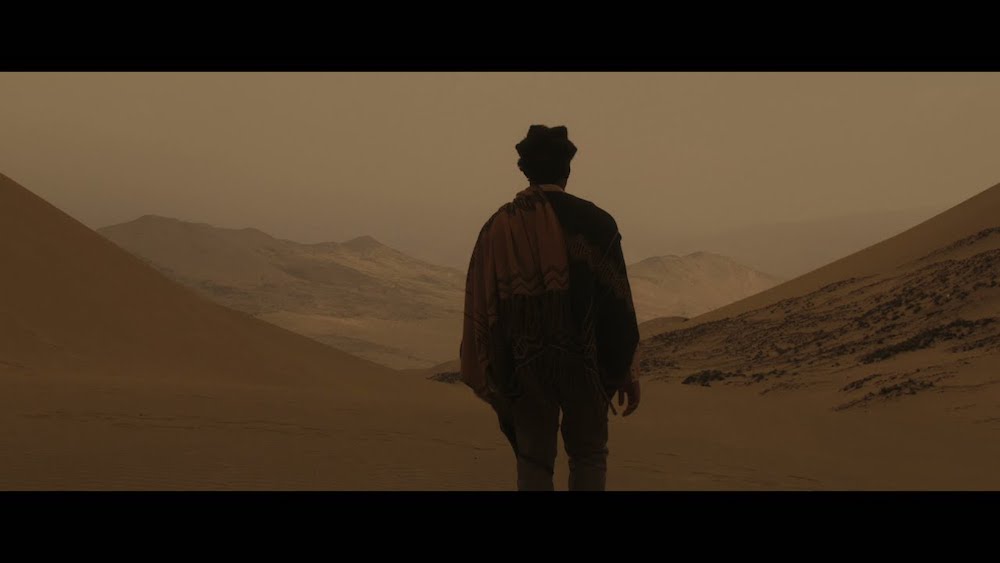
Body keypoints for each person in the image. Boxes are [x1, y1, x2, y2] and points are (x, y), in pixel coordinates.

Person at [460, 124, 641, 491]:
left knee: (533, 460)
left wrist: (495, 366)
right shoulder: (597, 223)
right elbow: (617, 305)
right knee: (589, 455)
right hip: (586, 364)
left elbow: (482, 302)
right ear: (567, 170)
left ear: (526, 171)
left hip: (524, 365)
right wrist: (626, 369)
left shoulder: (499, 228)